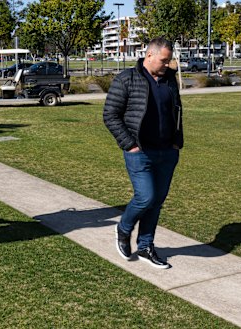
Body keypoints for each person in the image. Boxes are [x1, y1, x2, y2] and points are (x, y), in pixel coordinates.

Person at [103, 37, 183, 269]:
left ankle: (146, 245)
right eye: (163, 60)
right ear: (149, 55)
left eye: (169, 61)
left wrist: (177, 141)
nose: (167, 65)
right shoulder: (126, 79)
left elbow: (177, 111)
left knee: (156, 201)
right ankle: (123, 229)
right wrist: (130, 144)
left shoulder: (169, 80)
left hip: (167, 151)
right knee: (145, 197)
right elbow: (110, 115)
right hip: (139, 151)